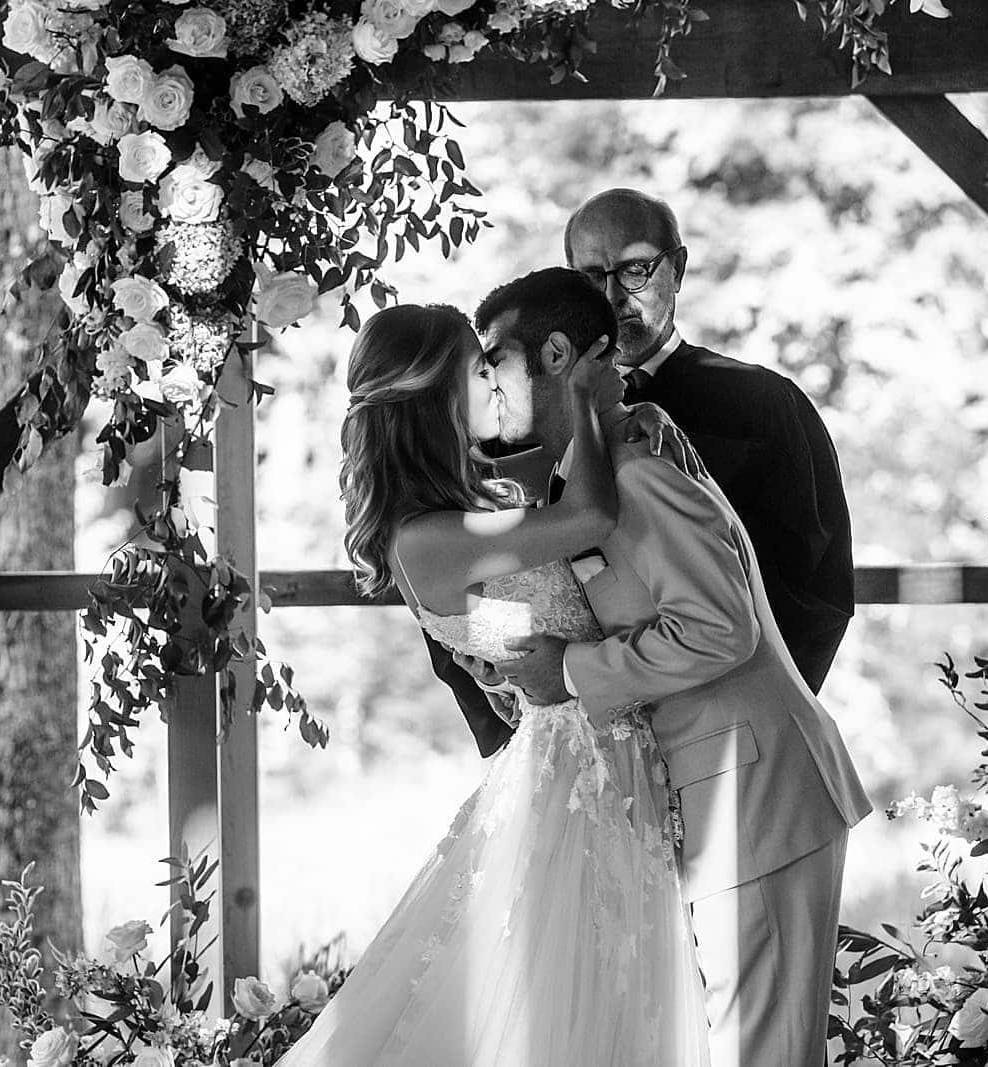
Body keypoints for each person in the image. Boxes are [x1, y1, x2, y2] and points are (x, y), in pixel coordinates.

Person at [279, 302, 713, 1066]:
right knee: (577, 1002)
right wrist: (581, 387)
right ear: (437, 395)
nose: (494, 379)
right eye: (478, 369)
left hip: (601, 747)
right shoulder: (427, 538)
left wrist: (631, 418)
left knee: (615, 997)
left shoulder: (471, 510)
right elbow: (590, 514)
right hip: (577, 767)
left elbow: (506, 631)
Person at [482, 268, 872, 1067]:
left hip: (756, 796)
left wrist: (575, 671)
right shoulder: (597, 468)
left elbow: (721, 628)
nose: (481, 382)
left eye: (494, 360)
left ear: (554, 354)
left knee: (758, 1054)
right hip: (716, 799)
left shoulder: (636, 472)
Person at [565, 187, 855, 695]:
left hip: (734, 705)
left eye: (635, 271)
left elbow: (818, 582)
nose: (612, 296)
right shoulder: (551, 412)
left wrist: (752, 706)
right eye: (591, 277)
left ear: (677, 268)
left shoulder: (765, 403)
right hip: (593, 705)